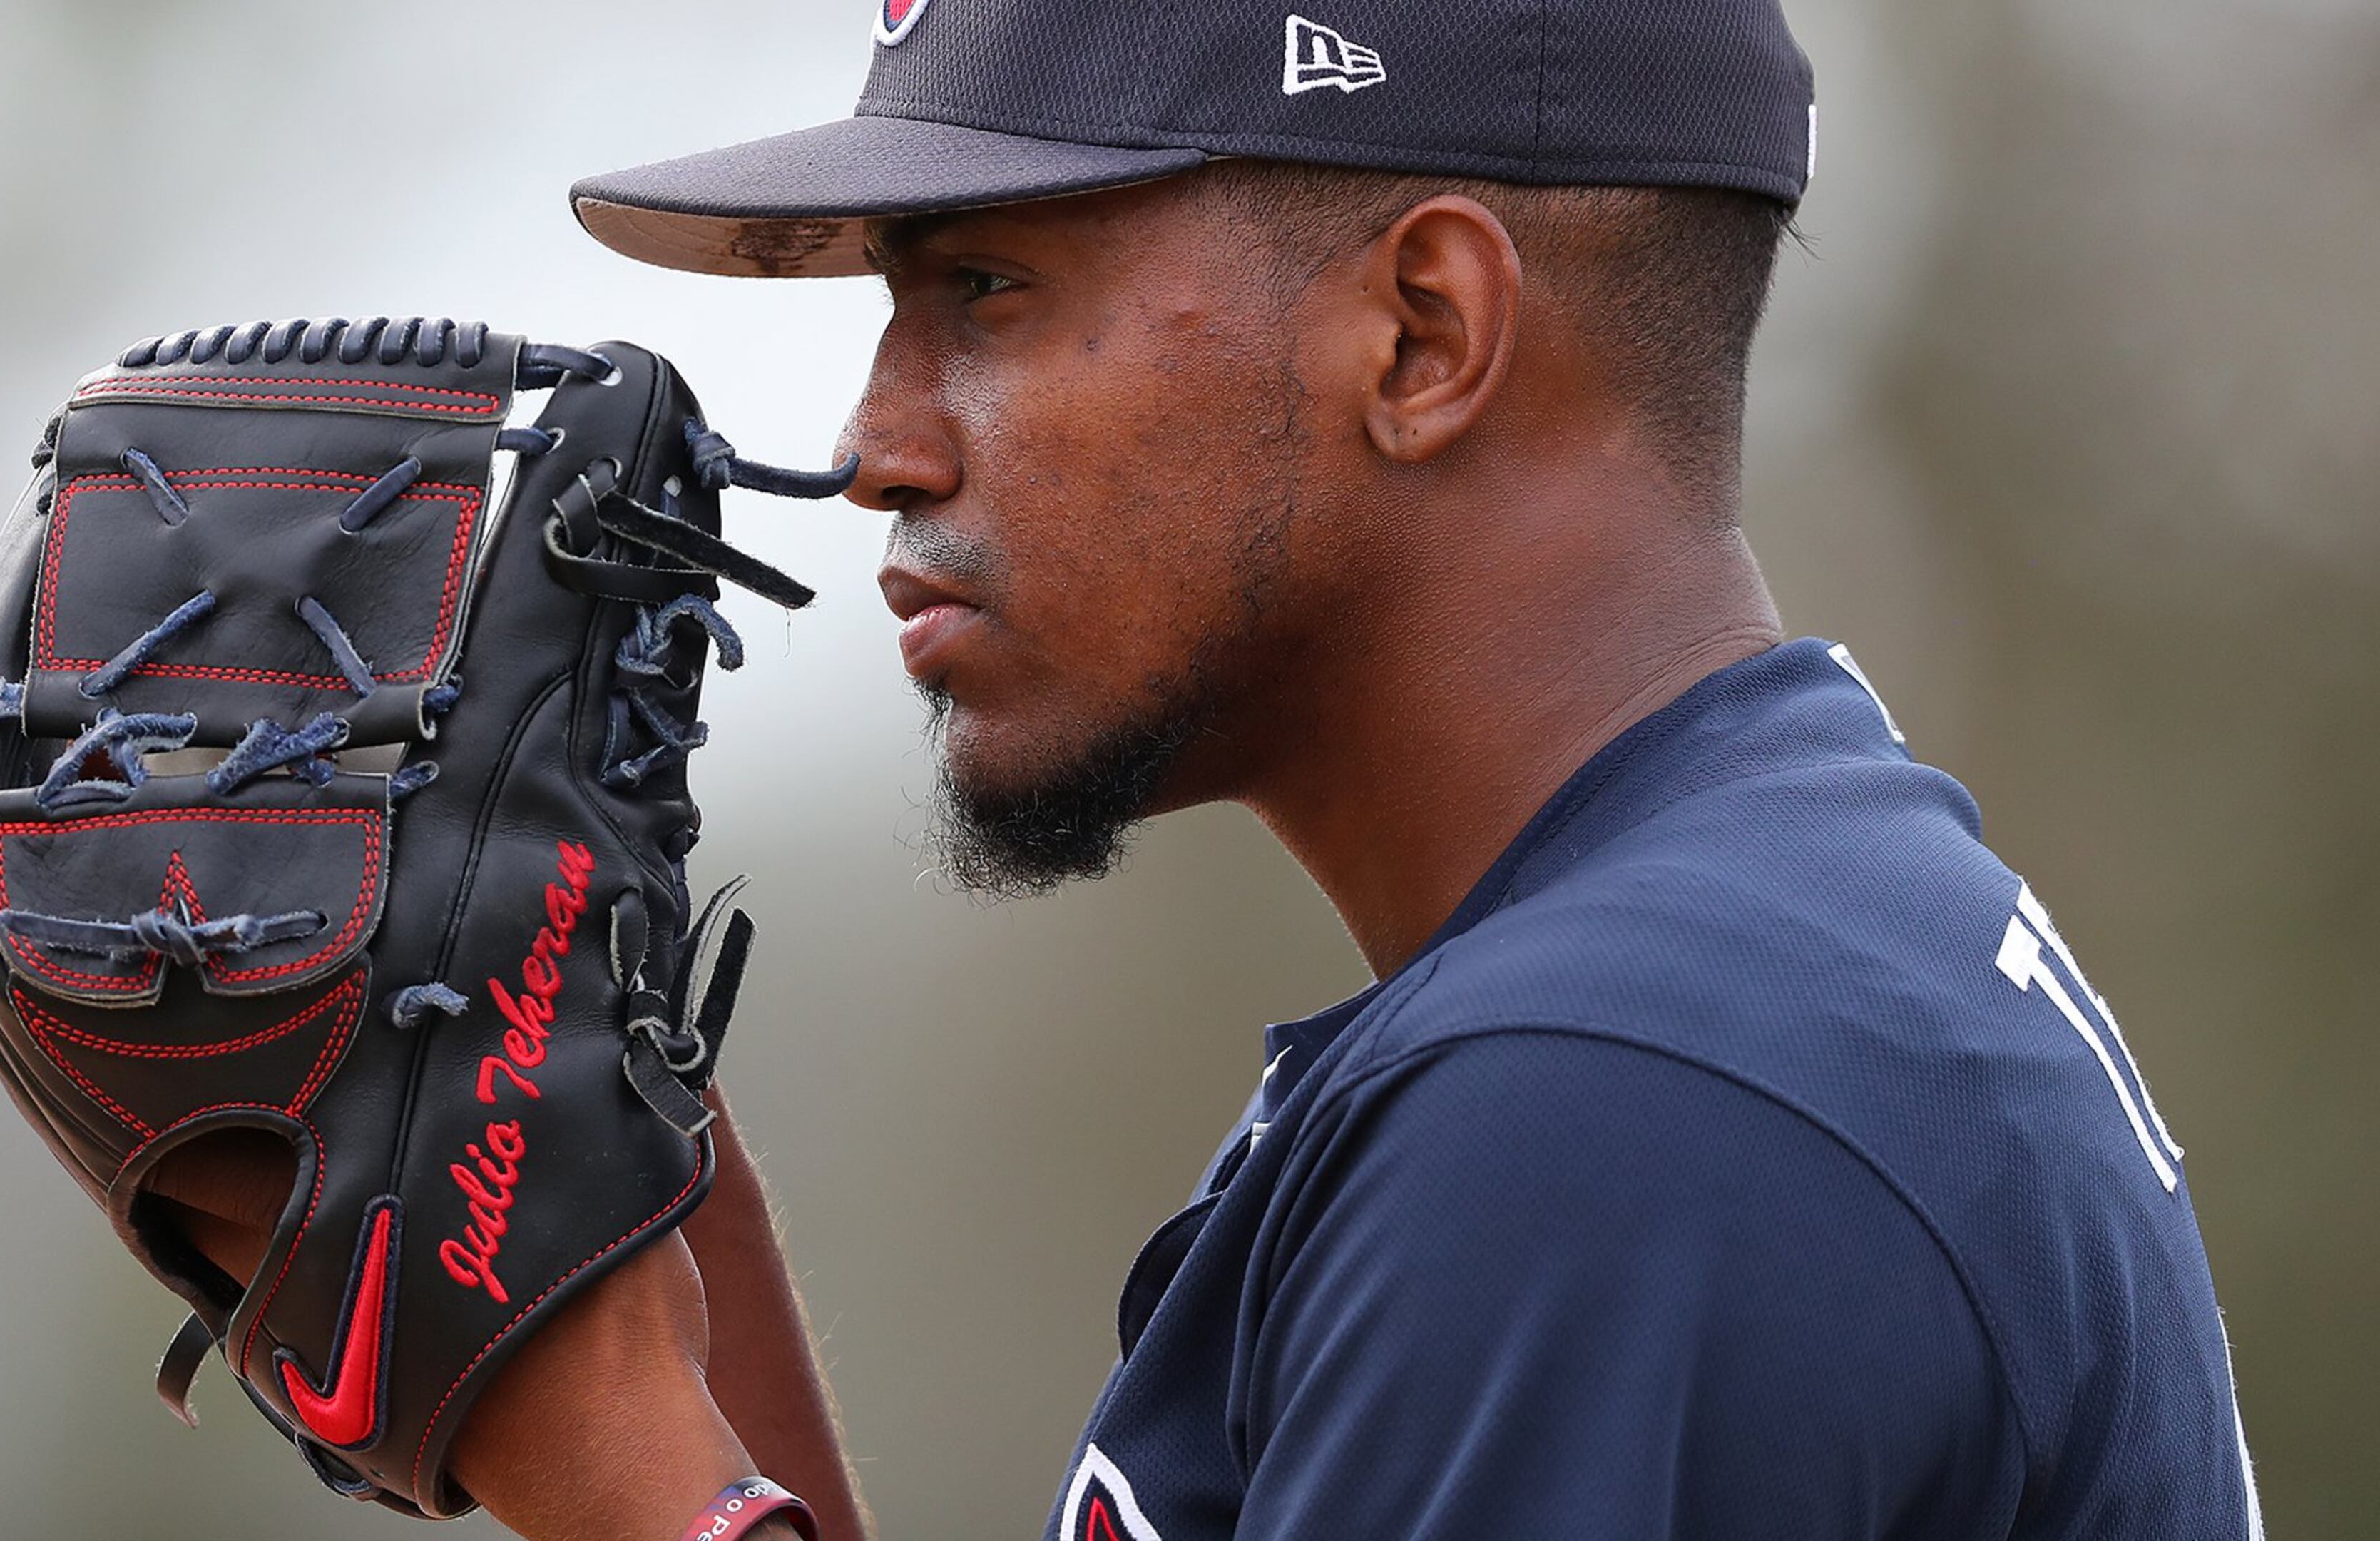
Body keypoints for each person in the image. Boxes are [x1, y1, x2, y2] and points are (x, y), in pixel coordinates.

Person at [158, 1, 2265, 1535]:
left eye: (985, 286)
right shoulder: (1728, 970)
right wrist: (643, 1243)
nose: (883, 435)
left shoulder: (1619, 1114)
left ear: (1423, 334)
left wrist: (626, 1471)